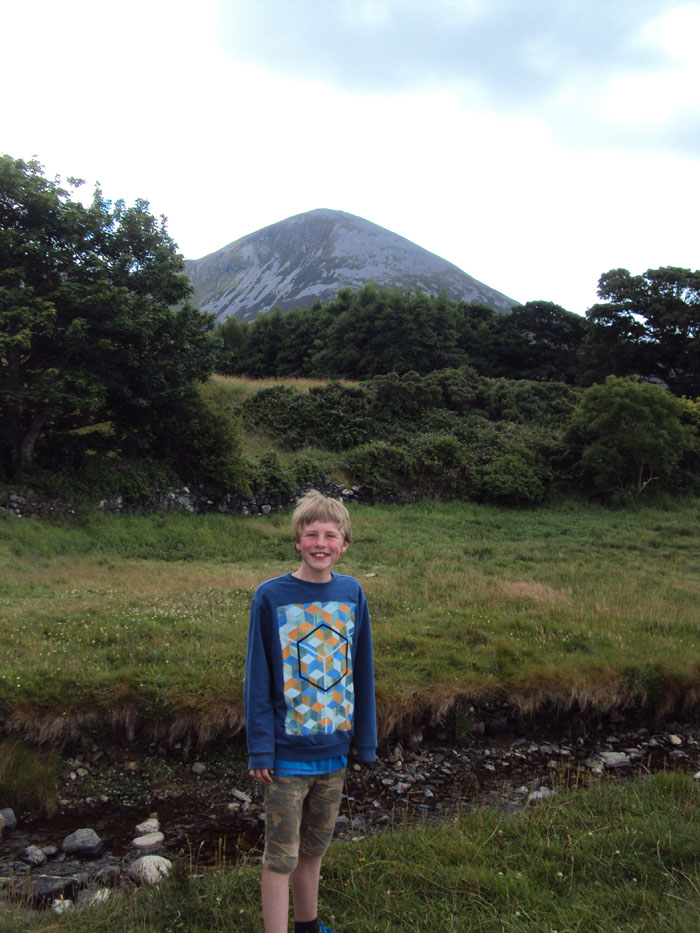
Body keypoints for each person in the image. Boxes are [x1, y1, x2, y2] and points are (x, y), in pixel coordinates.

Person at [244, 491, 377, 933]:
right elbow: (258, 678)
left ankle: (308, 925)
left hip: (334, 751)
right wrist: (261, 749)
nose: (321, 542)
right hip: (285, 757)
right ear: (297, 541)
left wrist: (366, 740)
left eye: (330, 535)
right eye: (311, 533)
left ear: (344, 544)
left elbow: (362, 668)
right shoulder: (270, 596)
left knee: (314, 849)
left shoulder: (352, 592)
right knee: (280, 856)